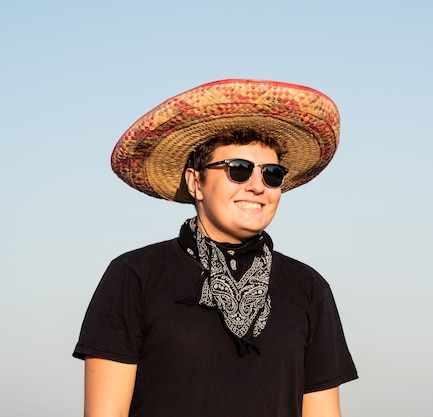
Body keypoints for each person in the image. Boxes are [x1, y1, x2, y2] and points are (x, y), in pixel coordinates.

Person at [73, 79, 358, 417]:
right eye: (238, 170)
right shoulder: (135, 275)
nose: (256, 186)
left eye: (272, 174)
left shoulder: (309, 287)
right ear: (196, 182)